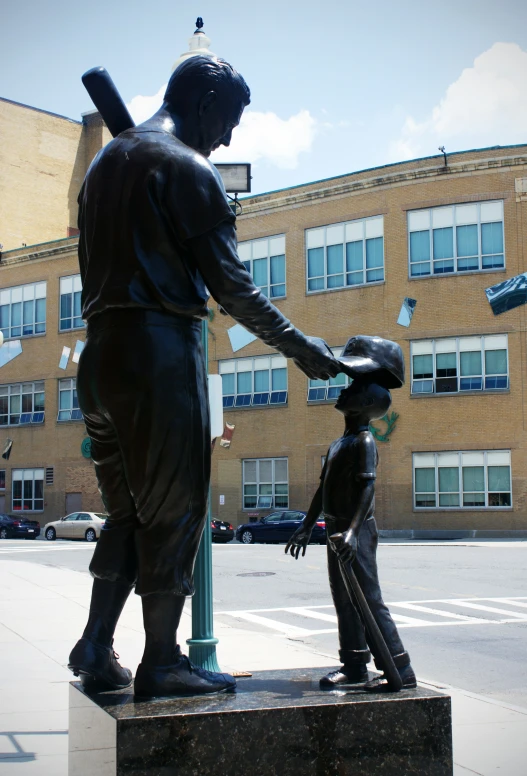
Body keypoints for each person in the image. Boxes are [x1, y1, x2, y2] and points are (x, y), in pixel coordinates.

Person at [67, 55, 341, 699]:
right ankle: (162, 661)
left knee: (127, 514)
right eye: (230, 119)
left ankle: (96, 644)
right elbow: (234, 289)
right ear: (205, 102)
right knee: (176, 513)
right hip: (160, 354)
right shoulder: (188, 170)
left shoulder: (107, 166)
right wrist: (301, 347)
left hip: (100, 359)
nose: (230, 137)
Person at [285, 336, 417, 691]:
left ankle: (399, 669)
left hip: (352, 533)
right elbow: (323, 491)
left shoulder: (364, 442)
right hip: (336, 529)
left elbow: (367, 489)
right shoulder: (338, 443)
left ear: (368, 404)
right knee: (343, 597)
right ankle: (354, 664)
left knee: (368, 598)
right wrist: (306, 525)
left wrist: (353, 531)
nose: (343, 392)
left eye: (353, 389)